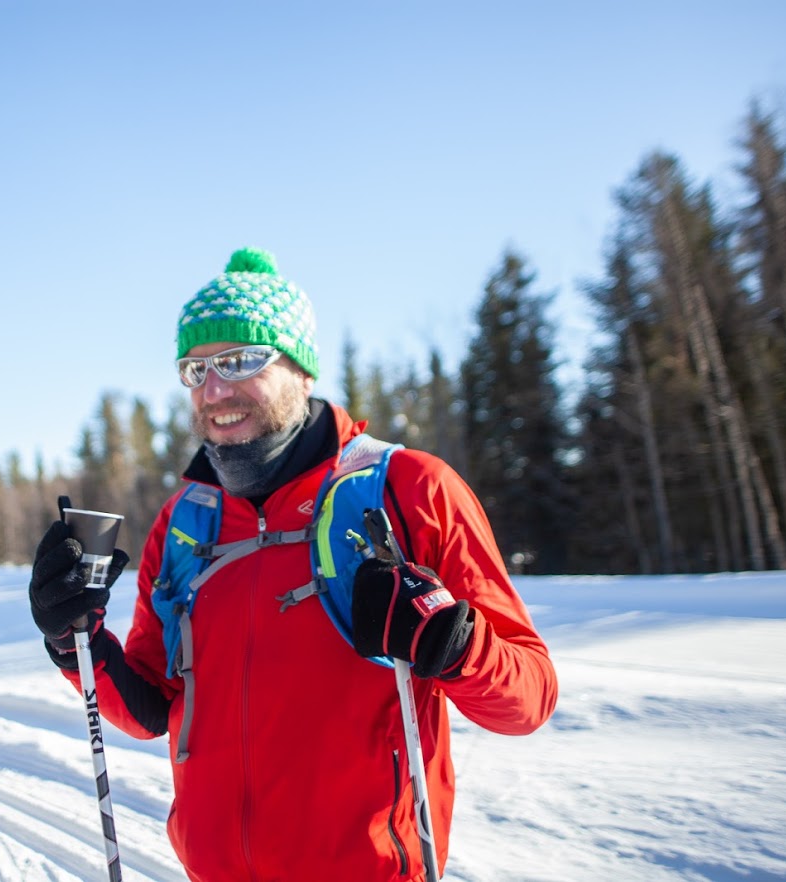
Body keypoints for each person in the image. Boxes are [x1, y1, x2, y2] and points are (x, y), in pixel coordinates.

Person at [28, 247, 559, 881]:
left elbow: (529, 697)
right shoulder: (183, 522)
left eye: (240, 360)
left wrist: (451, 641)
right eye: (195, 368)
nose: (215, 388)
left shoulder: (411, 489)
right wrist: (76, 643)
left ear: (301, 371)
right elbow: (151, 706)